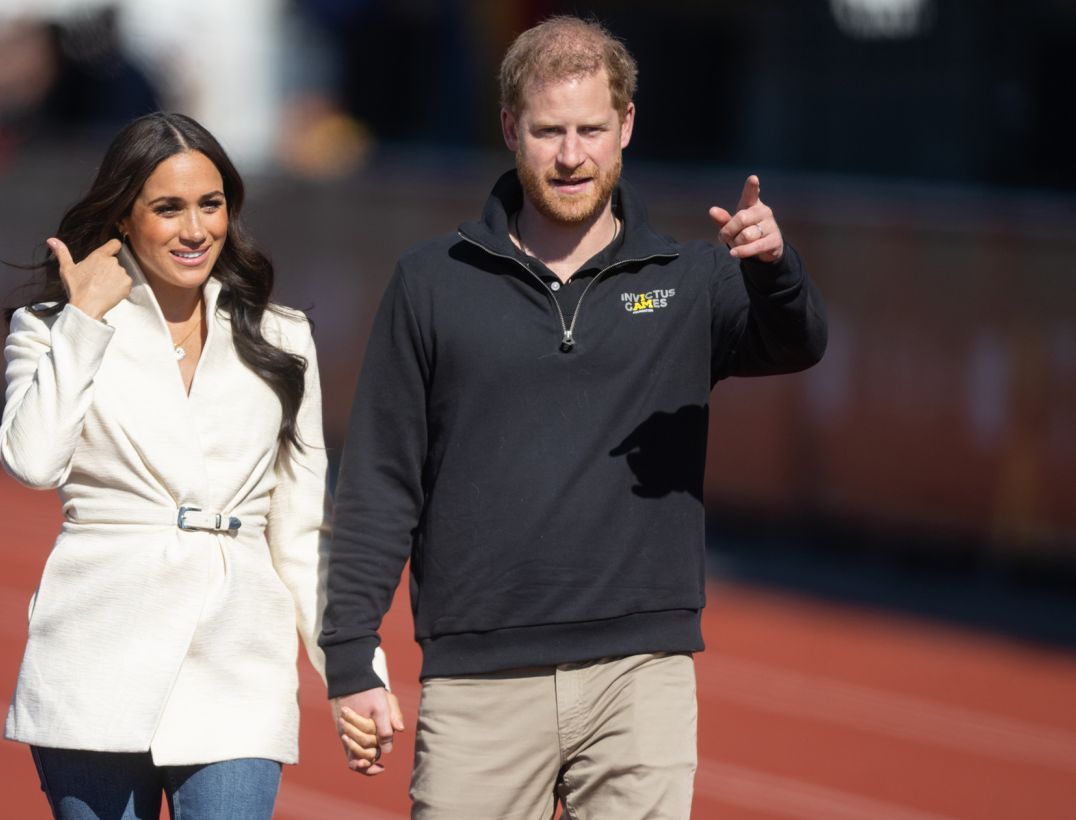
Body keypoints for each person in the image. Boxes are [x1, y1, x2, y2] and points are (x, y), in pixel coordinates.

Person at [321, 16, 827, 819]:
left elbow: (797, 343)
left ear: (626, 126)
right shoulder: (430, 281)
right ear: (509, 128)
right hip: (478, 677)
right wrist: (351, 651)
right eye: (548, 131)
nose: (570, 155)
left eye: (591, 129)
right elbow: (381, 479)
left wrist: (774, 269)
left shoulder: (689, 278)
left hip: (641, 672)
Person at [0, 111, 387, 818]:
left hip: (237, 655)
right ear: (123, 217)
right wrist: (83, 322)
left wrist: (354, 669)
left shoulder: (282, 337)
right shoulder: (53, 328)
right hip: (95, 652)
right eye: (168, 208)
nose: (196, 229)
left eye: (211, 205)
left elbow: (303, 532)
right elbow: (32, 461)